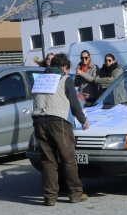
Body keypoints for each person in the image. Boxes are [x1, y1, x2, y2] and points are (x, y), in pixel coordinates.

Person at [31, 54, 89, 206]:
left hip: (39, 121)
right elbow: (74, 103)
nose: (67, 72)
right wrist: (83, 120)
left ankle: (50, 197)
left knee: (48, 161)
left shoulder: (39, 79)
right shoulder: (65, 79)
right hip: (58, 122)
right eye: (67, 69)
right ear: (64, 67)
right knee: (68, 159)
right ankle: (75, 193)